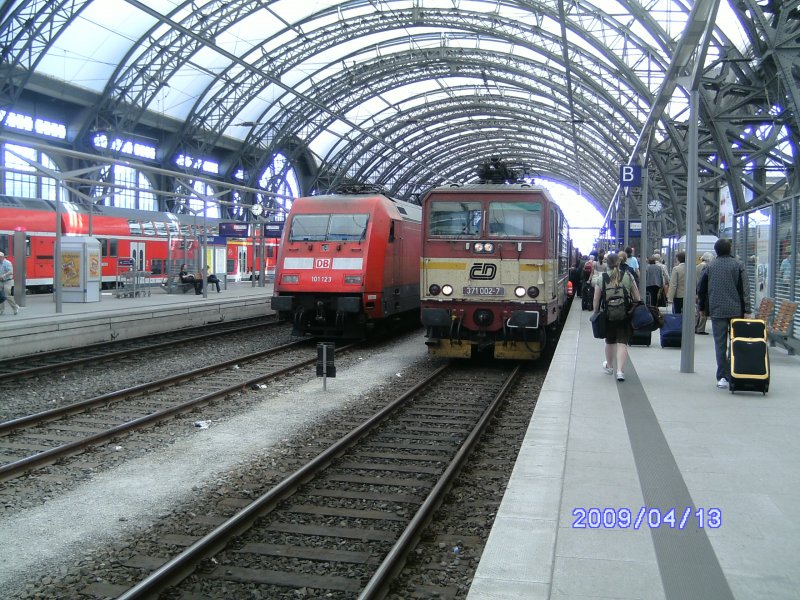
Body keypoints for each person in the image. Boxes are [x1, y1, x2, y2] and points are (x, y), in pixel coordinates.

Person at [697, 239, 751, 389]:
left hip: (717, 310)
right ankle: (734, 371)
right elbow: (745, 289)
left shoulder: (709, 266)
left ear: (716, 251)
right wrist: (747, 310)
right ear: (730, 250)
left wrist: (702, 308)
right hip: (736, 310)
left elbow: (701, 289)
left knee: (719, 344)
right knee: (735, 342)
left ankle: (722, 377)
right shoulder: (738, 265)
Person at [593, 252, 642, 382]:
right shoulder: (628, 275)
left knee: (610, 341)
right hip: (624, 314)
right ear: (619, 262)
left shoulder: (601, 278)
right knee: (622, 342)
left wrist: (596, 312)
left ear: (606, 263)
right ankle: (620, 371)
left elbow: (596, 299)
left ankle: (609, 367)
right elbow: (637, 297)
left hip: (608, 315)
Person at [695, 252, 714, 334]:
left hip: (696, 290)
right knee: (703, 311)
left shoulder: (697, 266)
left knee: (697, 310)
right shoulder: (707, 267)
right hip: (704, 291)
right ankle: (701, 329)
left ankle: (695, 326)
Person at [0, 251, 19, 316]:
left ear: (2, 257)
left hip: (8, 281)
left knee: (7, 295)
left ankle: (15, 307)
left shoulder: (7, 263)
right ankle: (1, 310)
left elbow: (11, 272)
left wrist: (4, 275)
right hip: (0, 281)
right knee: (0, 296)